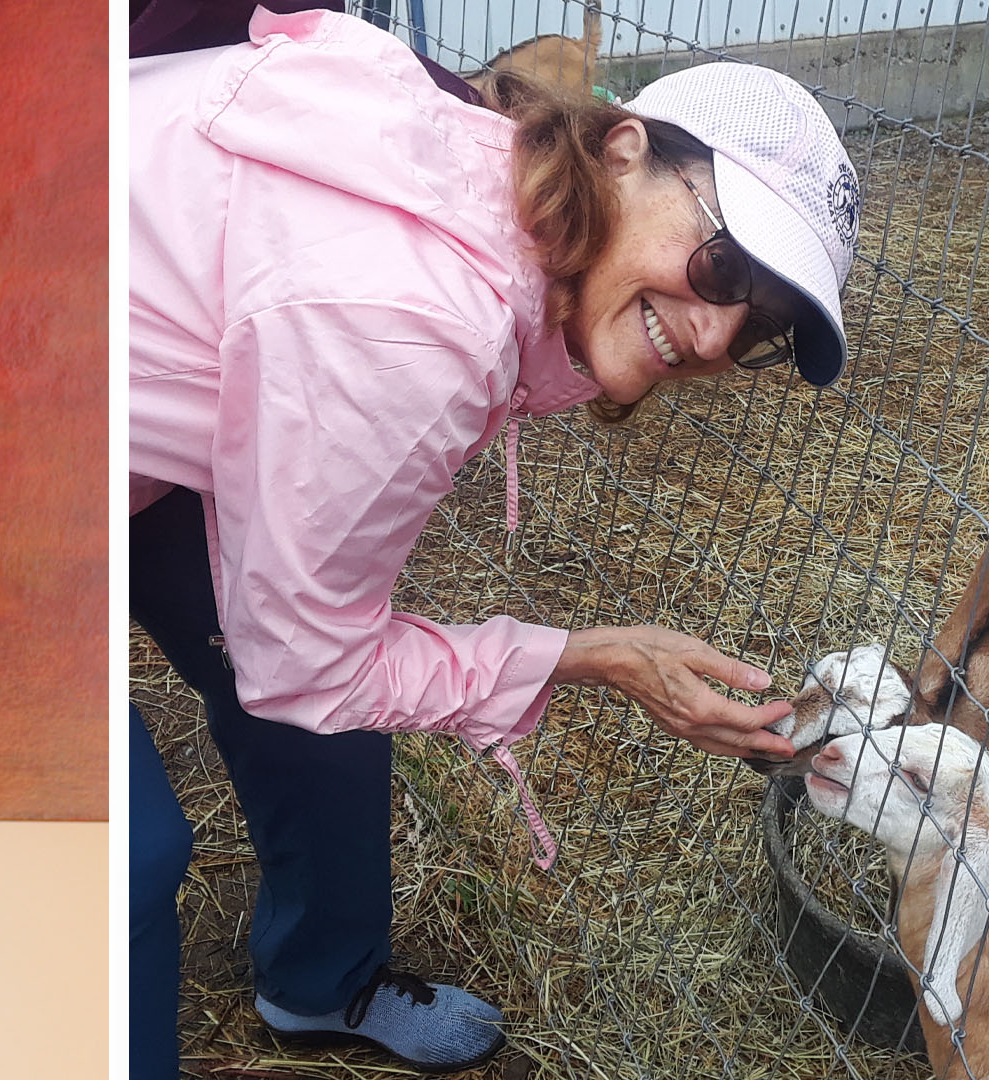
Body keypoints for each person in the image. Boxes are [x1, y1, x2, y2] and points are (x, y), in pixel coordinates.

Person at [129, 7, 862, 1077]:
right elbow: (306, 666)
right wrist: (596, 658)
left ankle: (323, 982)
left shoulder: (480, 160)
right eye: (722, 263)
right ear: (622, 148)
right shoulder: (423, 324)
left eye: (763, 328)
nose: (715, 334)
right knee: (132, 857)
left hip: (122, 388)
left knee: (329, 705)